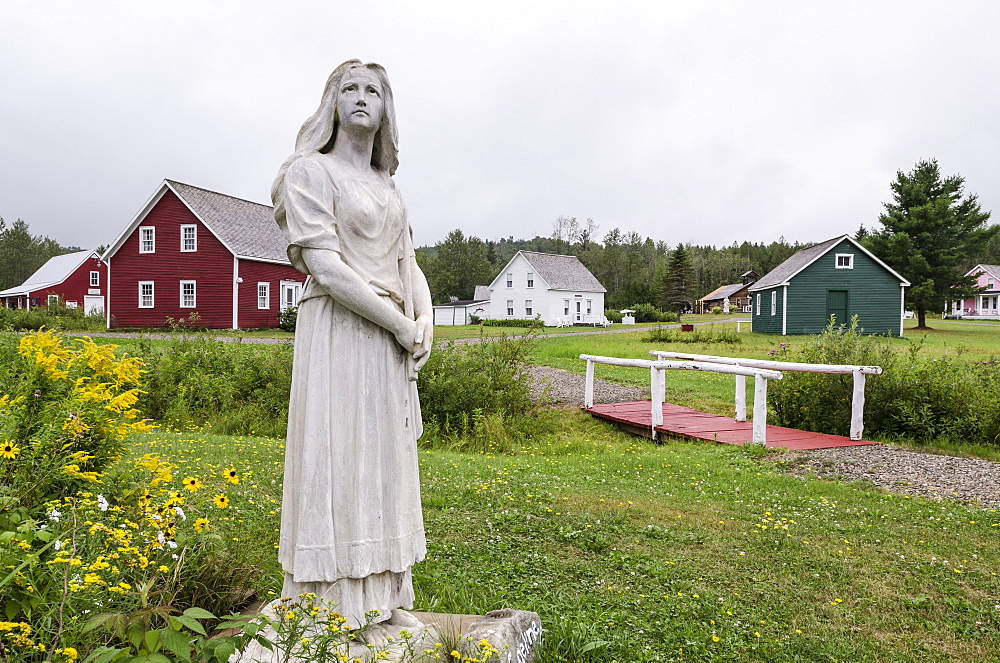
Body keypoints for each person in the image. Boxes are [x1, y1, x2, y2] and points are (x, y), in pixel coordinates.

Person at [270, 60, 433, 629]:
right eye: (350, 88)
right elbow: (328, 268)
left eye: (373, 90)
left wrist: (425, 320)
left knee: (383, 463)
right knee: (336, 459)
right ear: (331, 103)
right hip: (340, 331)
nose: (362, 98)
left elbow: (408, 263)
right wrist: (397, 322)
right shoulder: (310, 174)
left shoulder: (388, 188)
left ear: (386, 109)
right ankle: (325, 604)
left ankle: (382, 597)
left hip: (387, 341)